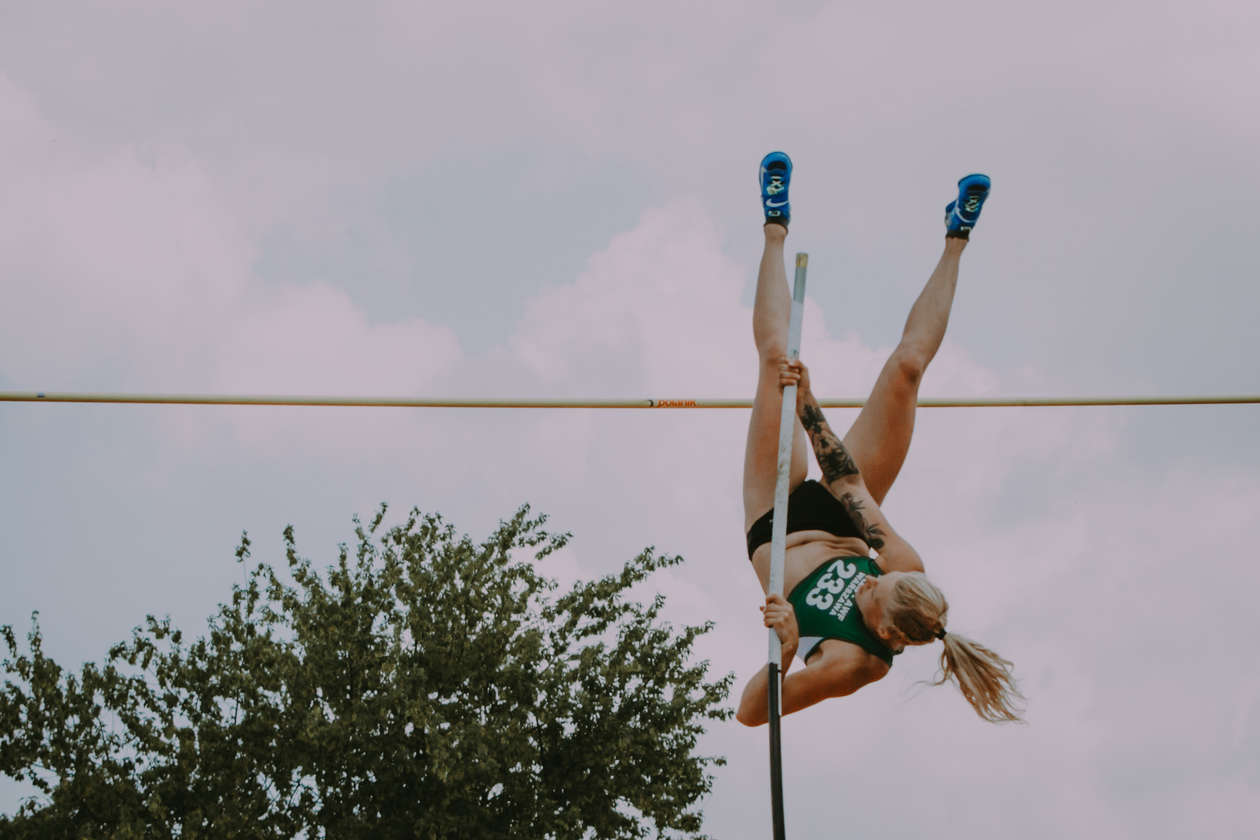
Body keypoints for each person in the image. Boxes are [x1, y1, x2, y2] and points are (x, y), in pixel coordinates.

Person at [735, 151, 1022, 726]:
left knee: (774, 361)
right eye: (878, 581)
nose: (867, 585)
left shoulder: (853, 663)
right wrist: (807, 400)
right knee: (906, 371)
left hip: (775, 526)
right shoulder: (903, 569)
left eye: (871, 596)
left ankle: (773, 227)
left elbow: (750, 714)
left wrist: (786, 652)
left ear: (889, 634)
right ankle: (957, 237)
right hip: (839, 517)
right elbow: (847, 482)